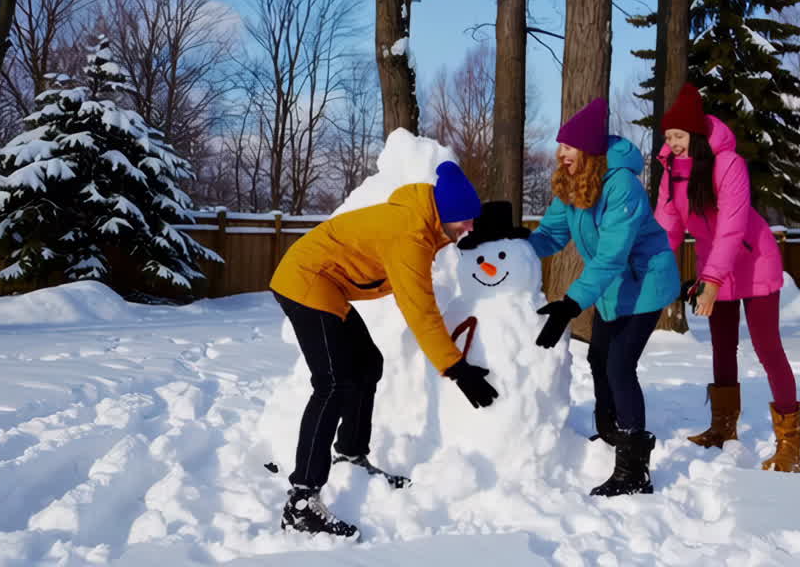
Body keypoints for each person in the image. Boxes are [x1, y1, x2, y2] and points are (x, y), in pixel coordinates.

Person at [268, 161, 499, 537]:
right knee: (332, 383)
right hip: (305, 281)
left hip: (328, 283)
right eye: (466, 221)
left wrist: (472, 225)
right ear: (447, 214)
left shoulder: (427, 219)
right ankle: (301, 500)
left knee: (366, 363)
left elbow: (453, 229)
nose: (470, 228)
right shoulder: (409, 236)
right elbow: (420, 311)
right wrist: (457, 367)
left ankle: (351, 454)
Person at [527, 97, 681, 497]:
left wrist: (571, 303)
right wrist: (510, 243)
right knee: (597, 357)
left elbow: (613, 253)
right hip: (613, 287)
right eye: (560, 146)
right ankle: (610, 430)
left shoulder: (622, 185)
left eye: (569, 147)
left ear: (590, 150)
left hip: (645, 283)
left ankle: (634, 471)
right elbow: (550, 236)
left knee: (619, 365)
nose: (561, 155)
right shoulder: (571, 184)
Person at [653, 83, 800, 473]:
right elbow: (666, 227)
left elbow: (733, 227)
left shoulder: (728, 164)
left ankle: (789, 443)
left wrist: (713, 280)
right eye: (668, 136)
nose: (673, 143)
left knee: (767, 347)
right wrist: (653, 270)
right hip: (715, 264)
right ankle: (723, 427)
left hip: (753, 262)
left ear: (697, 135)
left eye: (679, 136)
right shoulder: (671, 171)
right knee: (721, 345)